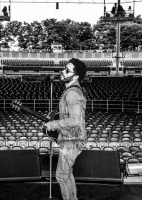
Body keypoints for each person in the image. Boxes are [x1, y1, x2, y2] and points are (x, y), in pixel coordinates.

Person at [44, 58, 87, 200]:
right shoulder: (71, 91)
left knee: (61, 177)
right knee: (67, 175)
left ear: (75, 76)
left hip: (71, 141)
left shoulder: (72, 94)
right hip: (70, 139)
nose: (62, 71)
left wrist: (54, 124)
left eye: (67, 70)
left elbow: (75, 121)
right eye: (64, 68)